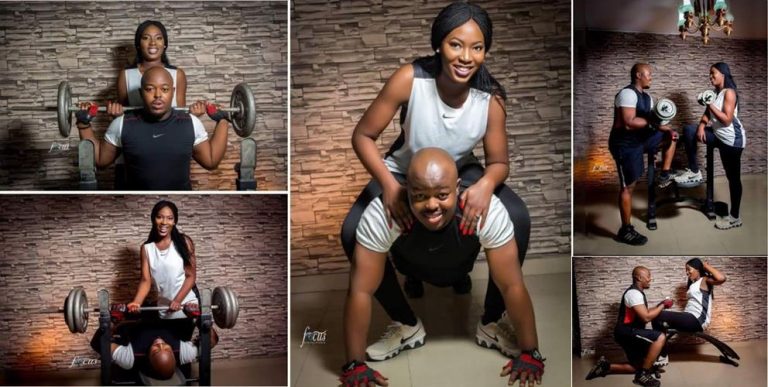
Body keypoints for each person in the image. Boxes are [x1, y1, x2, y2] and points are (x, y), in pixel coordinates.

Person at [340, 0, 531, 355]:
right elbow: (362, 136)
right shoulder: (410, 79)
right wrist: (391, 185)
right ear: (439, 43)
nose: (465, 57)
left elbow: (499, 162)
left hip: (461, 167)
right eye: (455, 44)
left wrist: (486, 185)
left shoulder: (491, 99)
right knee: (352, 232)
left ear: (486, 51)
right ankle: (406, 324)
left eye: (477, 48)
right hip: (402, 168)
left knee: (518, 218)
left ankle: (490, 321)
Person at [340, 148, 545, 387]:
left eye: (442, 195)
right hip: (410, 264)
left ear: (458, 187)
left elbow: (511, 285)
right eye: (419, 196)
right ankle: (407, 324)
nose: (431, 205)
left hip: (460, 263)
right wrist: (355, 363)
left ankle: (491, 324)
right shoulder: (382, 214)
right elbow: (360, 291)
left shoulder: (484, 210)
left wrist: (531, 352)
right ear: (406, 189)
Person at [75, 67, 231, 190]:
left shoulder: (191, 123)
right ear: (141, 93)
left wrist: (223, 120)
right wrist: (83, 125)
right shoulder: (122, 123)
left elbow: (211, 162)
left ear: (173, 92)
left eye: (164, 89)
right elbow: (101, 160)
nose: (157, 95)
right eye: (150, 89)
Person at [609, 63, 678, 246]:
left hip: (640, 141)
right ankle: (626, 230)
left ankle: (664, 174)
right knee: (628, 187)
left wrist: (668, 130)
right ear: (638, 75)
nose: (651, 77)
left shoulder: (647, 98)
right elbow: (629, 122)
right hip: (625, 144)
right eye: (649, 74)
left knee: (671, 136)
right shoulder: (627, 93)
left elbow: (654, 123)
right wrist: (654, 123)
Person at [674, 63, 746, 230]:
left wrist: (709, 103)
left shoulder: (729, 92)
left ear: (723, 74)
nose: (710, 76)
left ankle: (735, 217)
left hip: (732, 140)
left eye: (713, 73)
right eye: (710, 74)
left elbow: (727, 119)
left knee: (733, 178)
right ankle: (694, 171)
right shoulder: (715, 93)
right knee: (689, 130)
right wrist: (701, 125)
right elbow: (708, 114)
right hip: (718, 136)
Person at [585, 266, 672, 387]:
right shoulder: (633, 294)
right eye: (648, 276)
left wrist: (660, 304)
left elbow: (645, 312)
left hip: (626, 332)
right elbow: (646, 317)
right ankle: (643, 375)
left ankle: (605, 366)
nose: (650, 279)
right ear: (639, 278)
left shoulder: (636, 293)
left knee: (636, 366)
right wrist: (662, 306)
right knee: (660, 337)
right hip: (627, 332)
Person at [128, 200, 199, 337]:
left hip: (187, 305)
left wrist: (178, 301)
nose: (164, 222)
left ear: (175, 222)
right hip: (164, 308)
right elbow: (145, 280)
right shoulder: (147, 248)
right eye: (160, 217)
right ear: (153, 219)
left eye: (169, 218)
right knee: (165, 348)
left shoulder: (184, 242)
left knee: (180, 347)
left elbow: (191, 276)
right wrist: (137, 302)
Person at [90, 317, 219, 380]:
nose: (160, 343)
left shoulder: (130, 358)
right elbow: (211, 341)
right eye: (167, 349)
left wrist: (112, 321)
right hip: (168, 312)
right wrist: (199, 320)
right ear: (174, 355)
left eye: (156, 350)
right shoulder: (184, 353)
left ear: (149, 360)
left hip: (137, 317)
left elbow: (97, 344)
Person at [650, 259, 726, 366]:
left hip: (697, 320)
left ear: (698, 269)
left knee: (659, 314)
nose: (687, 272)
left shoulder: (704, 280)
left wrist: (705, 265)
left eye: (688, 269)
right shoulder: (693, 285)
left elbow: (722, 278)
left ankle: (662, 355)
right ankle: (660, 353)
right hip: (689, 317)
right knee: (658, 319)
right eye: (685, 270)